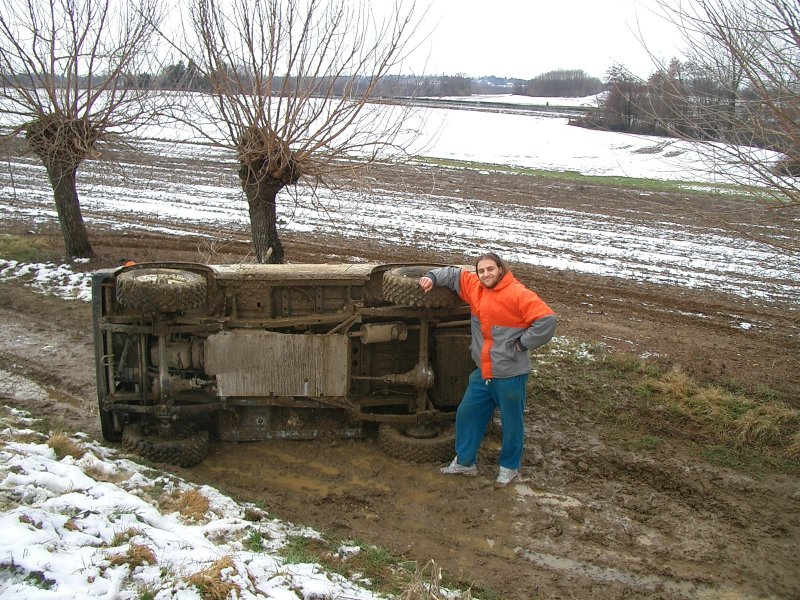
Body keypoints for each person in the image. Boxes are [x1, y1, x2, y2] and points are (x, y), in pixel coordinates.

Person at [419, 253, 556, 487]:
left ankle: (509, 468)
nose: (486, 274)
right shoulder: (476, 288)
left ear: (501, 269)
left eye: (490, 269)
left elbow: (547, 320)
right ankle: (465, 462)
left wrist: (522, 344)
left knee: (512, 424)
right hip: (484, 372)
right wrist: (431, 277)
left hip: (510, 374)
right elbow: (454, 274)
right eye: (481, 271)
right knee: (466, 414)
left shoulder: (517, 293)